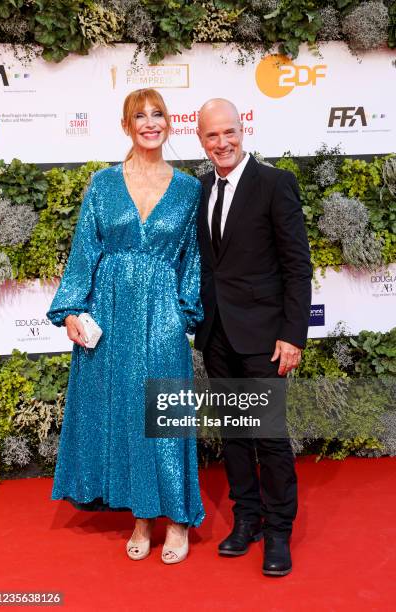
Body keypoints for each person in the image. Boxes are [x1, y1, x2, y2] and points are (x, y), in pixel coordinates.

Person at [47, 88, 204, 564]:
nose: (150, 123)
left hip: (162, 315)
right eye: (141, 116)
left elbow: (193, 260)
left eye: (158, 115)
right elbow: (84, 252)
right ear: (126, 125)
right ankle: (141, 516)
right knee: (123, 414)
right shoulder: (102, 184)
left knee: (165, 415)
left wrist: (183, 312)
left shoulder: (189, 189)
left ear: (168, 124)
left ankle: (176, 519)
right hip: (109, 315)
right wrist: (72, 310)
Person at [195, 98, 312, 576]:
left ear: (242, 130)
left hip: (265, 336)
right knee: (235, 435)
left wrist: (293, 334)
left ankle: (279, 529)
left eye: (228, 132)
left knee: (269, 436)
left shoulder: (274, 183)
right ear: (200, 140)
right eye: (211, 135)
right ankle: (247, 518)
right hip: (217, 333)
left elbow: (297, 265)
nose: (221, 142)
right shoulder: (199, 189)